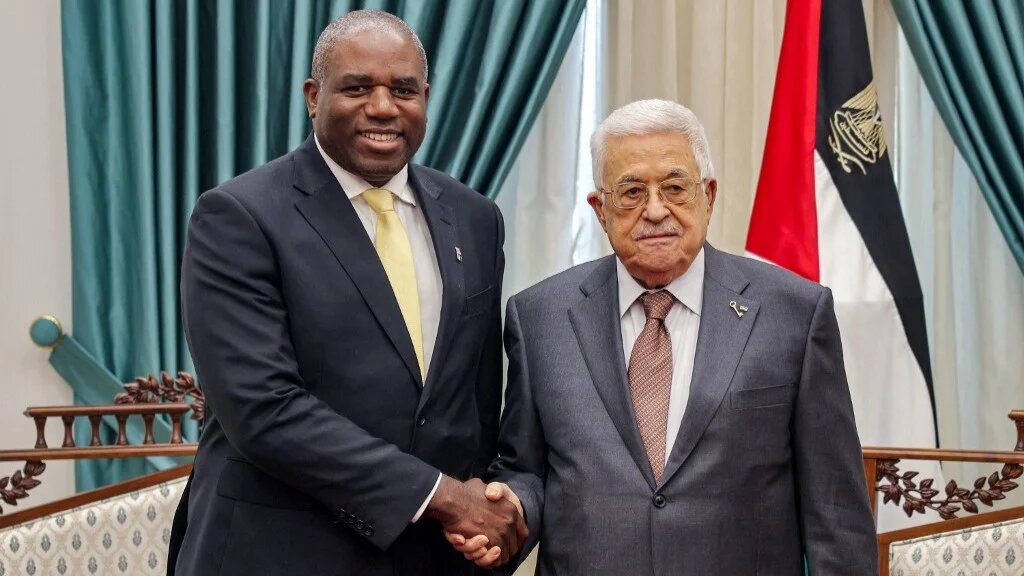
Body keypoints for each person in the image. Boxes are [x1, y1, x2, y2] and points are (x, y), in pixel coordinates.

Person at [169, 10, 525, 576]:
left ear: (426, 98)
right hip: (278, 552)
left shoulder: (475, 217)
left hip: (434, 559)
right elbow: (264, 410)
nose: (383, 107)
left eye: (403, 90)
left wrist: (490, 513)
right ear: (314, 96)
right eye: (358, 87)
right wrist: (441, 497)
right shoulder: (239, 216)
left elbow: (474, 404)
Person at [456, 99, 877, 574]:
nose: (656, 211)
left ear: (708, 196)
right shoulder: (539, 318)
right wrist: (509, 508)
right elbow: (528, 470)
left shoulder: (794, 314)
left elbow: (835, 512)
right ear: (600, 209)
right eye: (631, 192)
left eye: (675, 188)